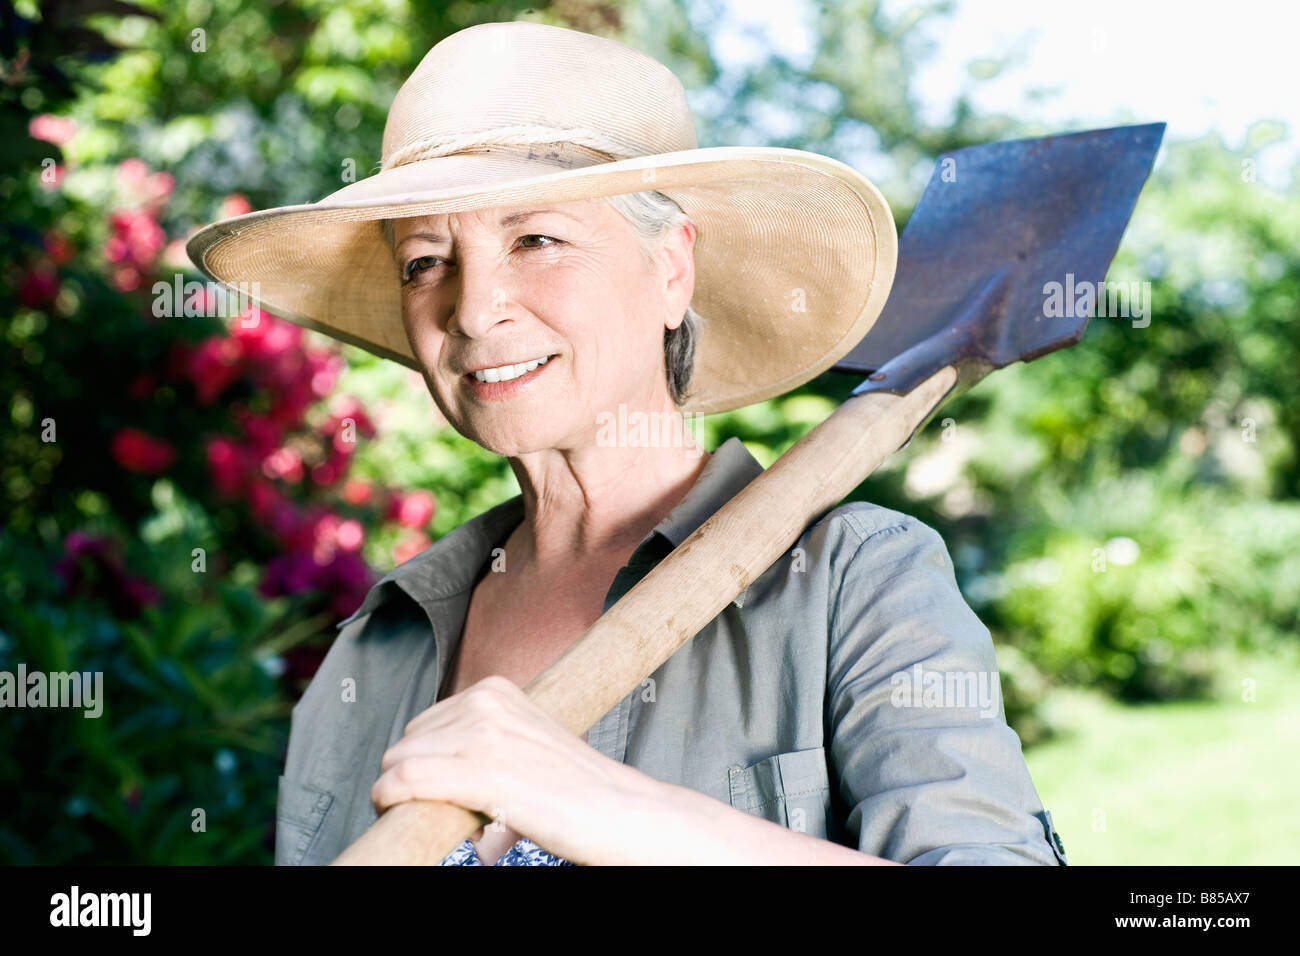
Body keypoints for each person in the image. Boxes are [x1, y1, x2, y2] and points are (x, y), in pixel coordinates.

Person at [189, 19, 1069, 867]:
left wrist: (609, 809)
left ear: (671, 269)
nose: (471, 307)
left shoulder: (855, 586)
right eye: (426, 260)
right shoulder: (373, 649)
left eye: (536, 238)